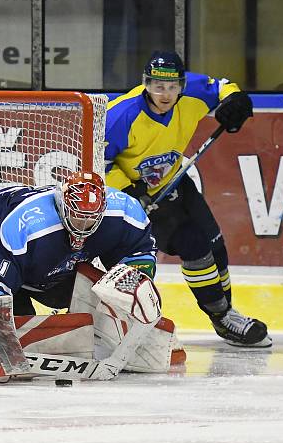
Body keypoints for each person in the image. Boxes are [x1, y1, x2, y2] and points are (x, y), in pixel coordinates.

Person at [104, 50, 271, 347]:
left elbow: (223, 87)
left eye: (171, 87)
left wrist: (236, 100)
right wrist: (131, 192)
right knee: (194, 244)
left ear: (181, 85)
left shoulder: (193, 91)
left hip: (176, 182)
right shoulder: (121, 116)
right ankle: (219, 315)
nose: (165, 94)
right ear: (145, 83)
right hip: (139, 199)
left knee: (215, 244)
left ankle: (227, 314)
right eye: (157, 86)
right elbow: (97, 161)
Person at [0, 171, 157, 316]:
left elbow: (139, 252)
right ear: (62, 207)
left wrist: (133, 292)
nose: (84, 225)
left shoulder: (123, 211)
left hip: (49, 269)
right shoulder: (29, 226)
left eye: (91, 218)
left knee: (100, 300)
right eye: (77, 216)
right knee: (16, 326)